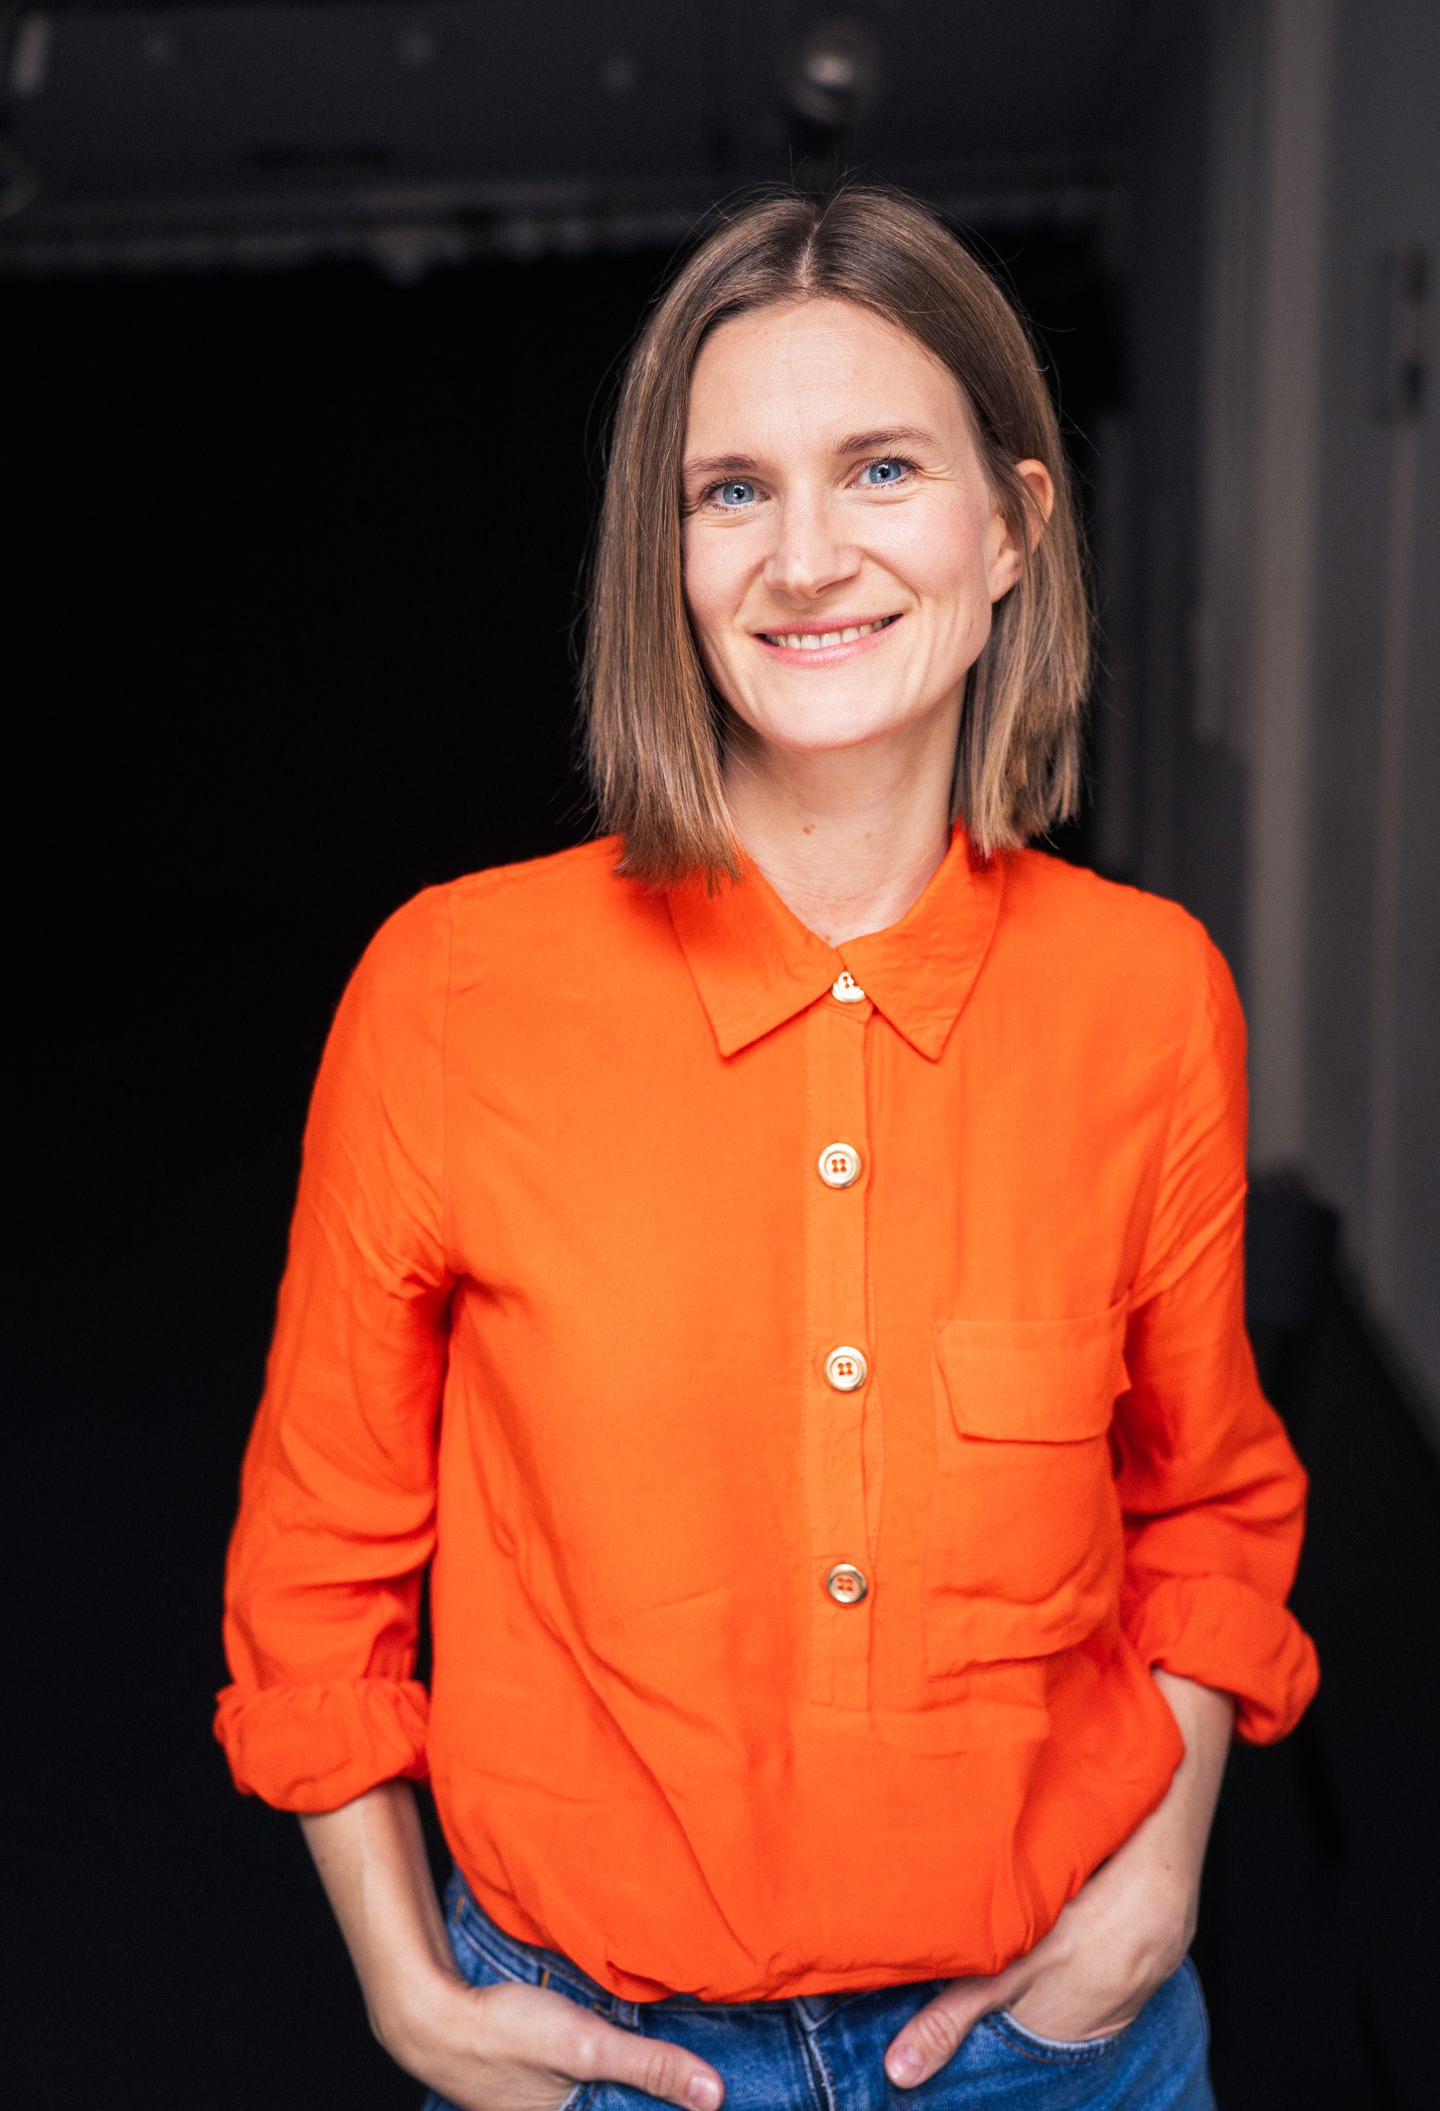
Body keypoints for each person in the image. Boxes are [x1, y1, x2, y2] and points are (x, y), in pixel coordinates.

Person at [216, 185, 1318, 2111]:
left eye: (881, 468)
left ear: (1013, 527)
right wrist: (404, 1987)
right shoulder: (450, 991)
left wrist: (1156, 1890)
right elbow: (317, 1563)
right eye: (732, 491)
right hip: (595, 2055)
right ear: (668, 560)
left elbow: (1208, 1503)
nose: (807, 558)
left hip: (1061, 2048)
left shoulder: (1148, 997)